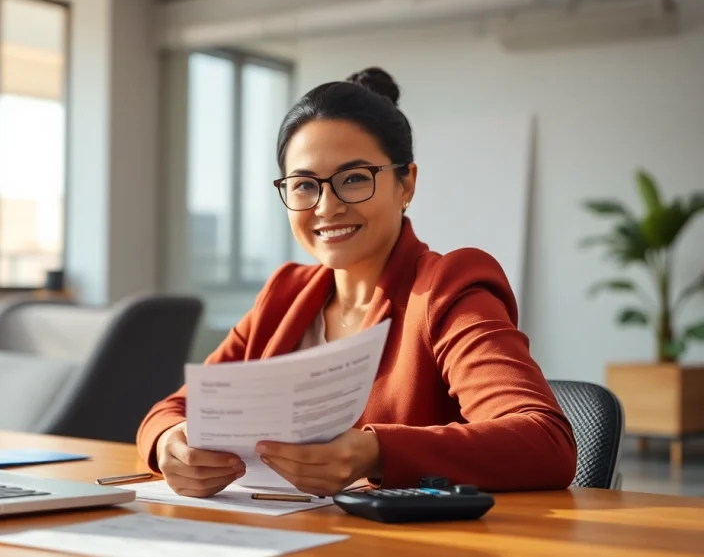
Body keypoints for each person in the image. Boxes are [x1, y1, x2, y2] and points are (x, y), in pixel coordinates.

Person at [137, 67, 577, 498]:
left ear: (407, 183)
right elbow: (172, 410)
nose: (326, 207)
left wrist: (376, 453)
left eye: (353, 179)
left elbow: (545, 442)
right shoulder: (285, 294)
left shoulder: (447, 289)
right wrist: (169, 443)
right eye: (305, 185)